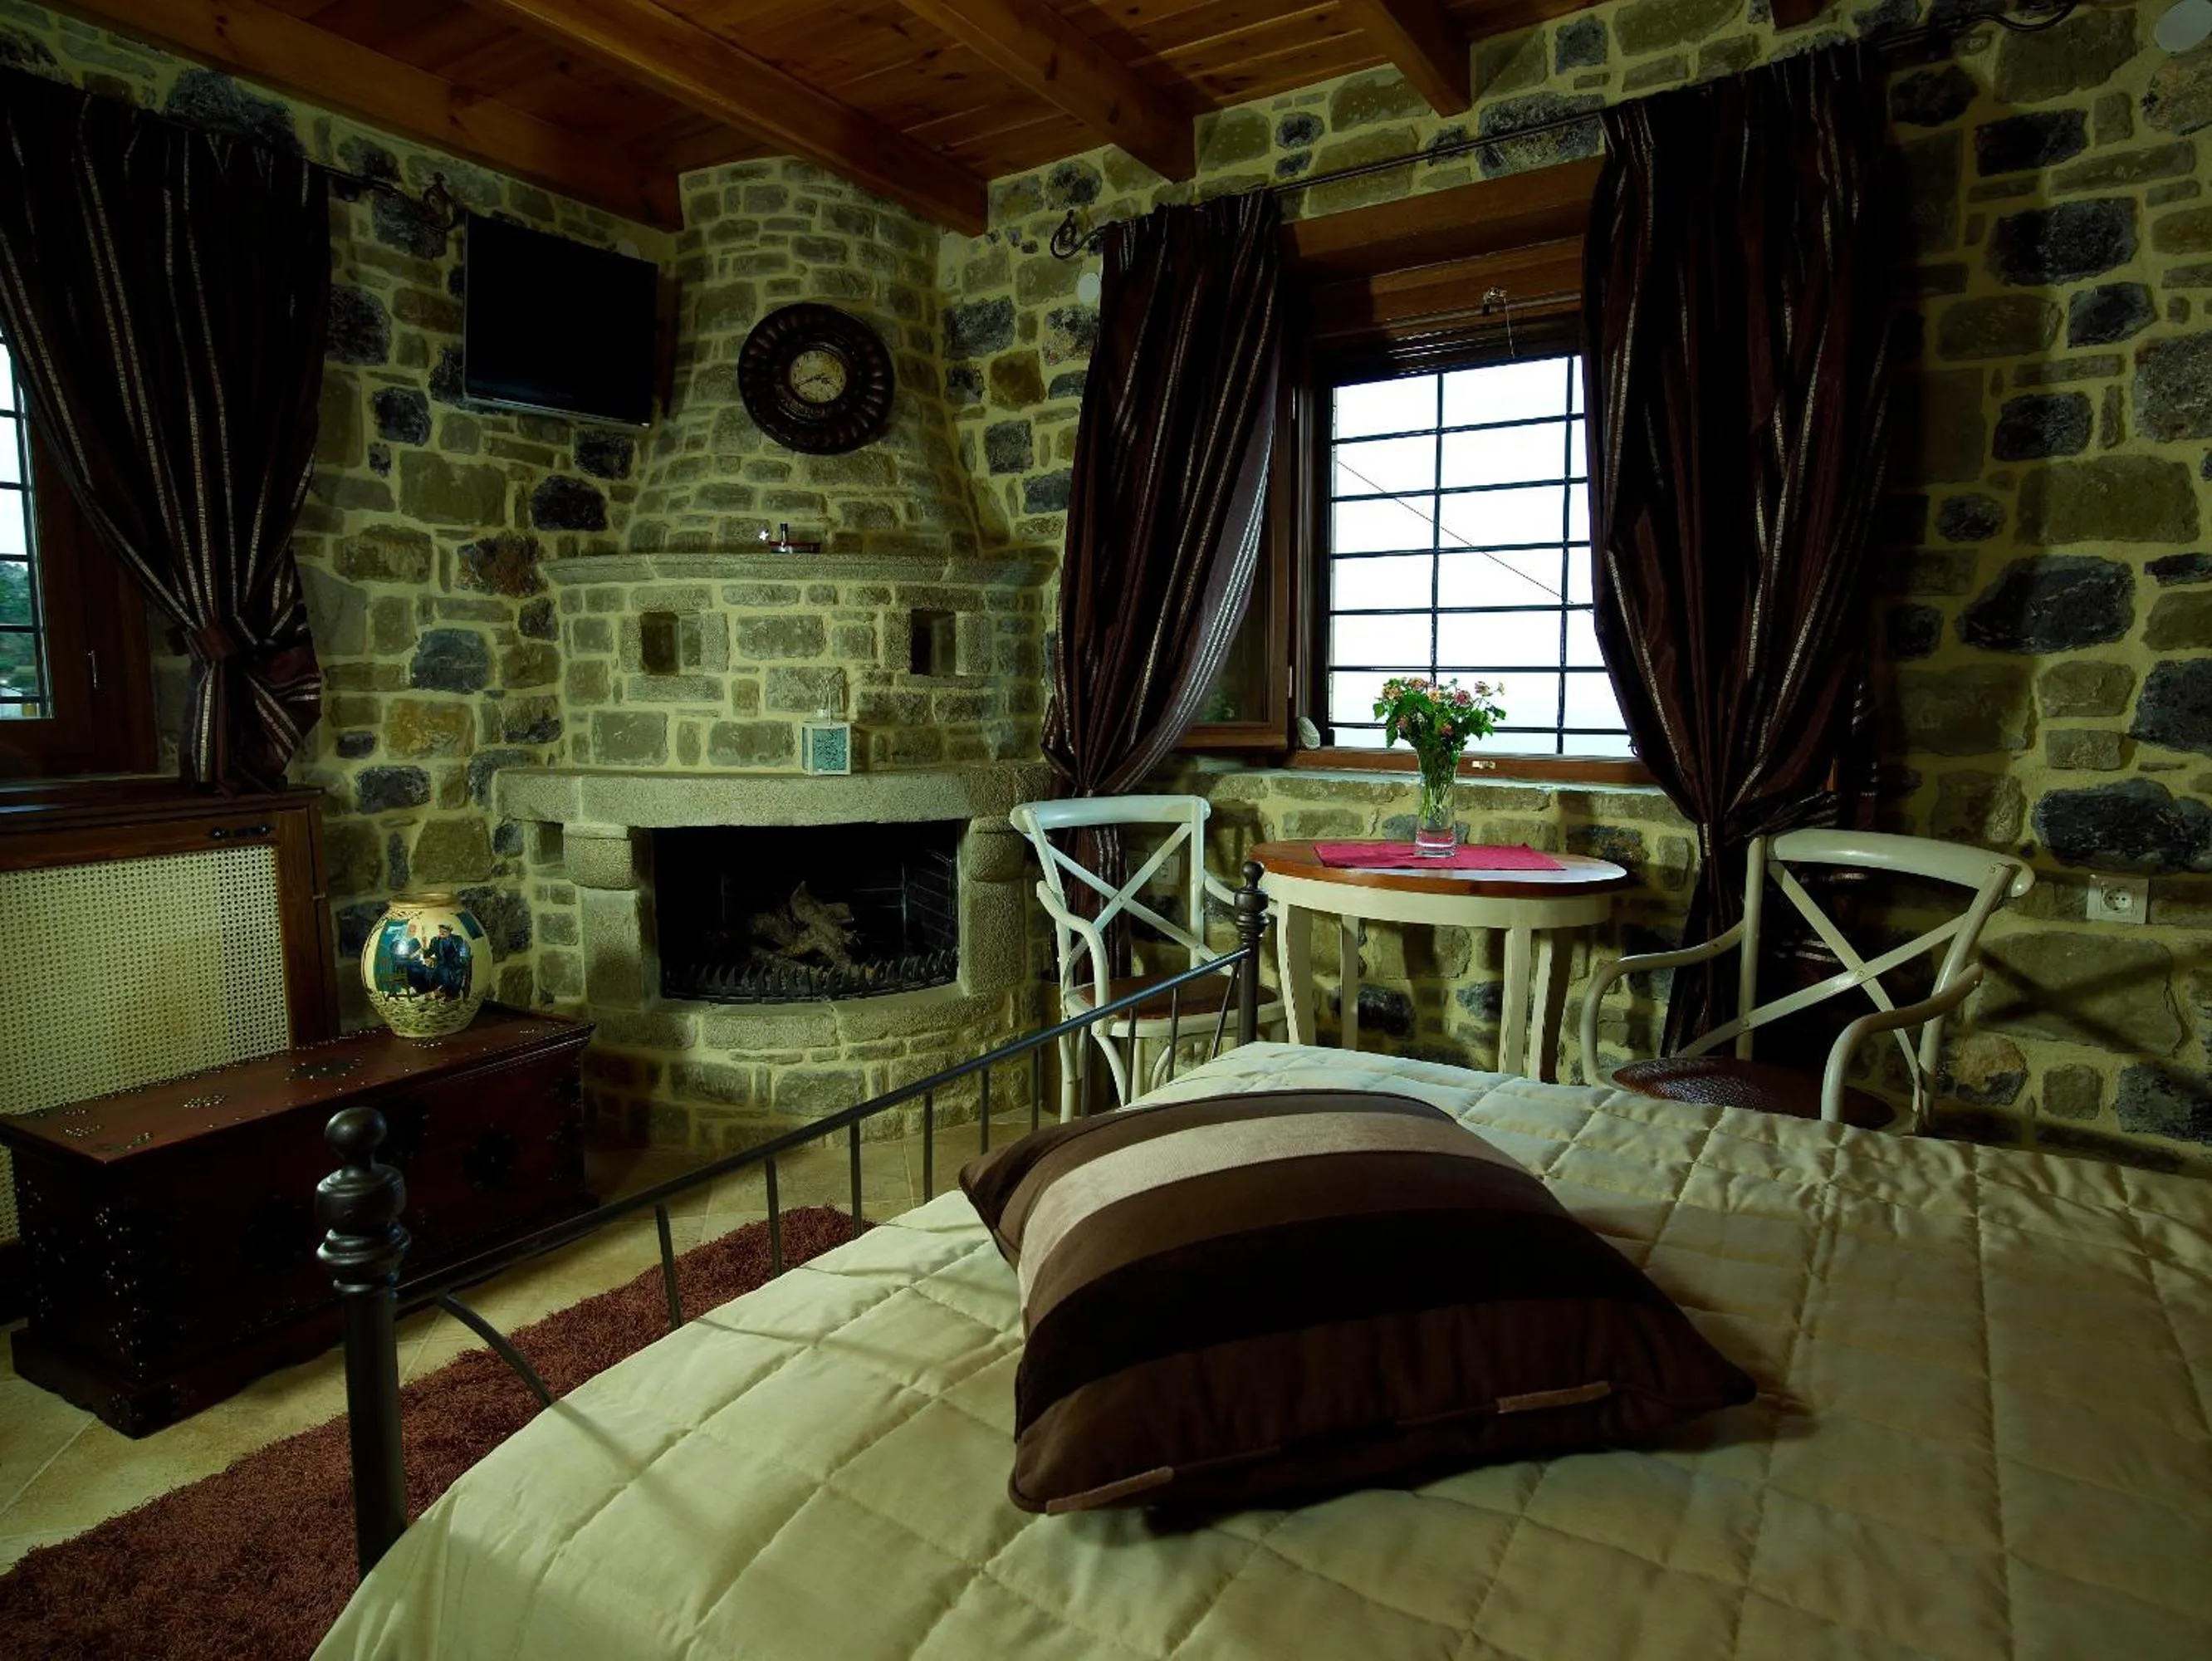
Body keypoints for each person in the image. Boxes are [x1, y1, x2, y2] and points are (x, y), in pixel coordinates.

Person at [424, 921, 470, 1000]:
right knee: (440, 973)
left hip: (455, 964)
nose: (442, 933)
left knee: (455, 974)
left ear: (450, 932)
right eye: (441, 931)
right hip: (441, 964)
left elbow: (463, 950)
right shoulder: (435, 940)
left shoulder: (457, 939)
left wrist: (463, 959)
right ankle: (441, 992)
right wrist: (424, 944)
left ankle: (450, 994)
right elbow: (428, 954)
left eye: (445, 931)